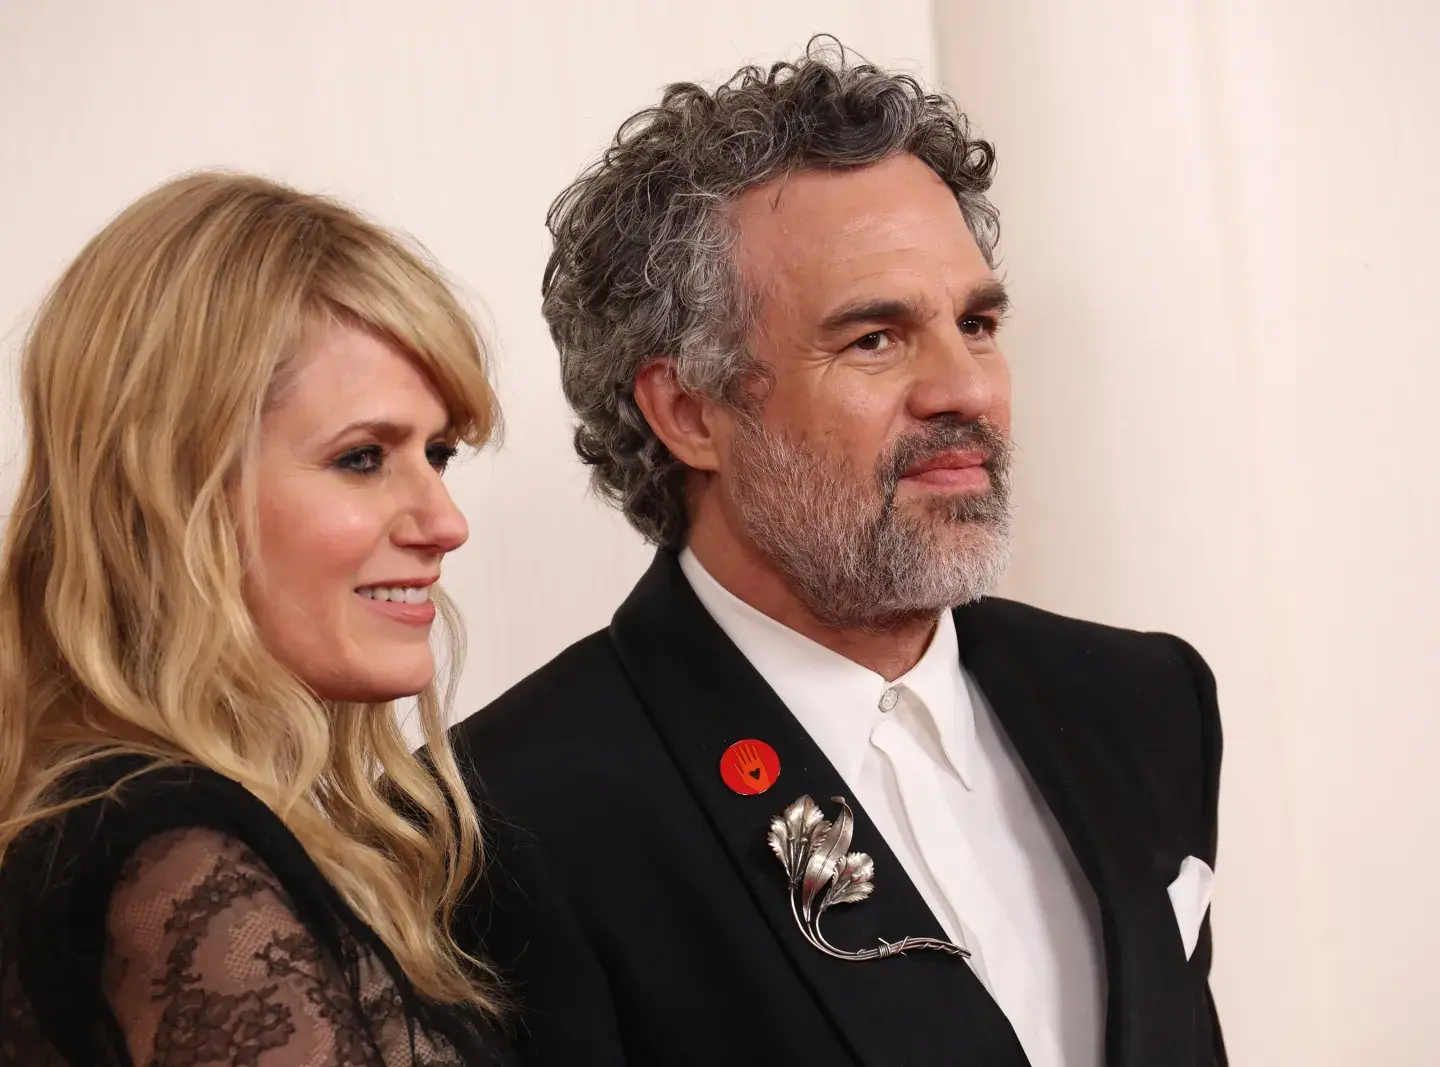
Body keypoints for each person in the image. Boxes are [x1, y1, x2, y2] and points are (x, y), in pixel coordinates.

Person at [455, 40, 1226, 1067]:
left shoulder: (1142, 698)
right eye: (875, 338)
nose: (965, 390)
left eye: (978, 322)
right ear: (688, 411)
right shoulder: (506, 815)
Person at [0, 173, 518, 1066]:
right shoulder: (171, 853)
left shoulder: (154, 827)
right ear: (169, 488)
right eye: (362, 457)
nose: (445, 523)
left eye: (438, 455)